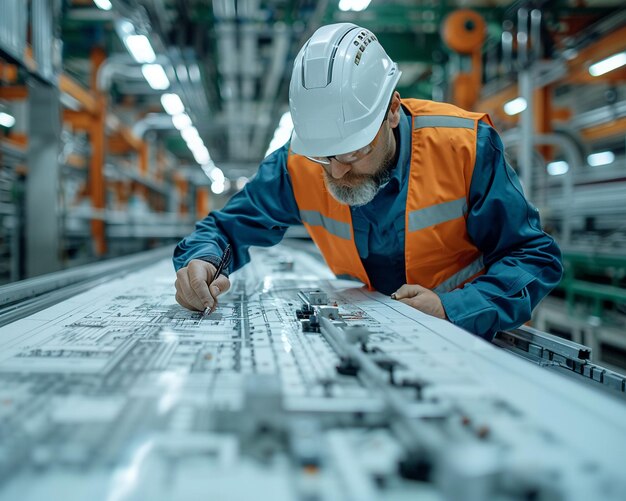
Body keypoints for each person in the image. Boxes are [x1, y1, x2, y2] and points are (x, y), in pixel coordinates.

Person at [173, 23, 563, 341]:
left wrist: (452, 307)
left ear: (392, 111)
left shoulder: (464, 147)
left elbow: (534, 256)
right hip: (372, 336)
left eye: (353, 152)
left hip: (470, 339)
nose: (337, 172)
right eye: (323, 157)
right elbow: (225, 229)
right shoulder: (296, 165)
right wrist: (202, 261)